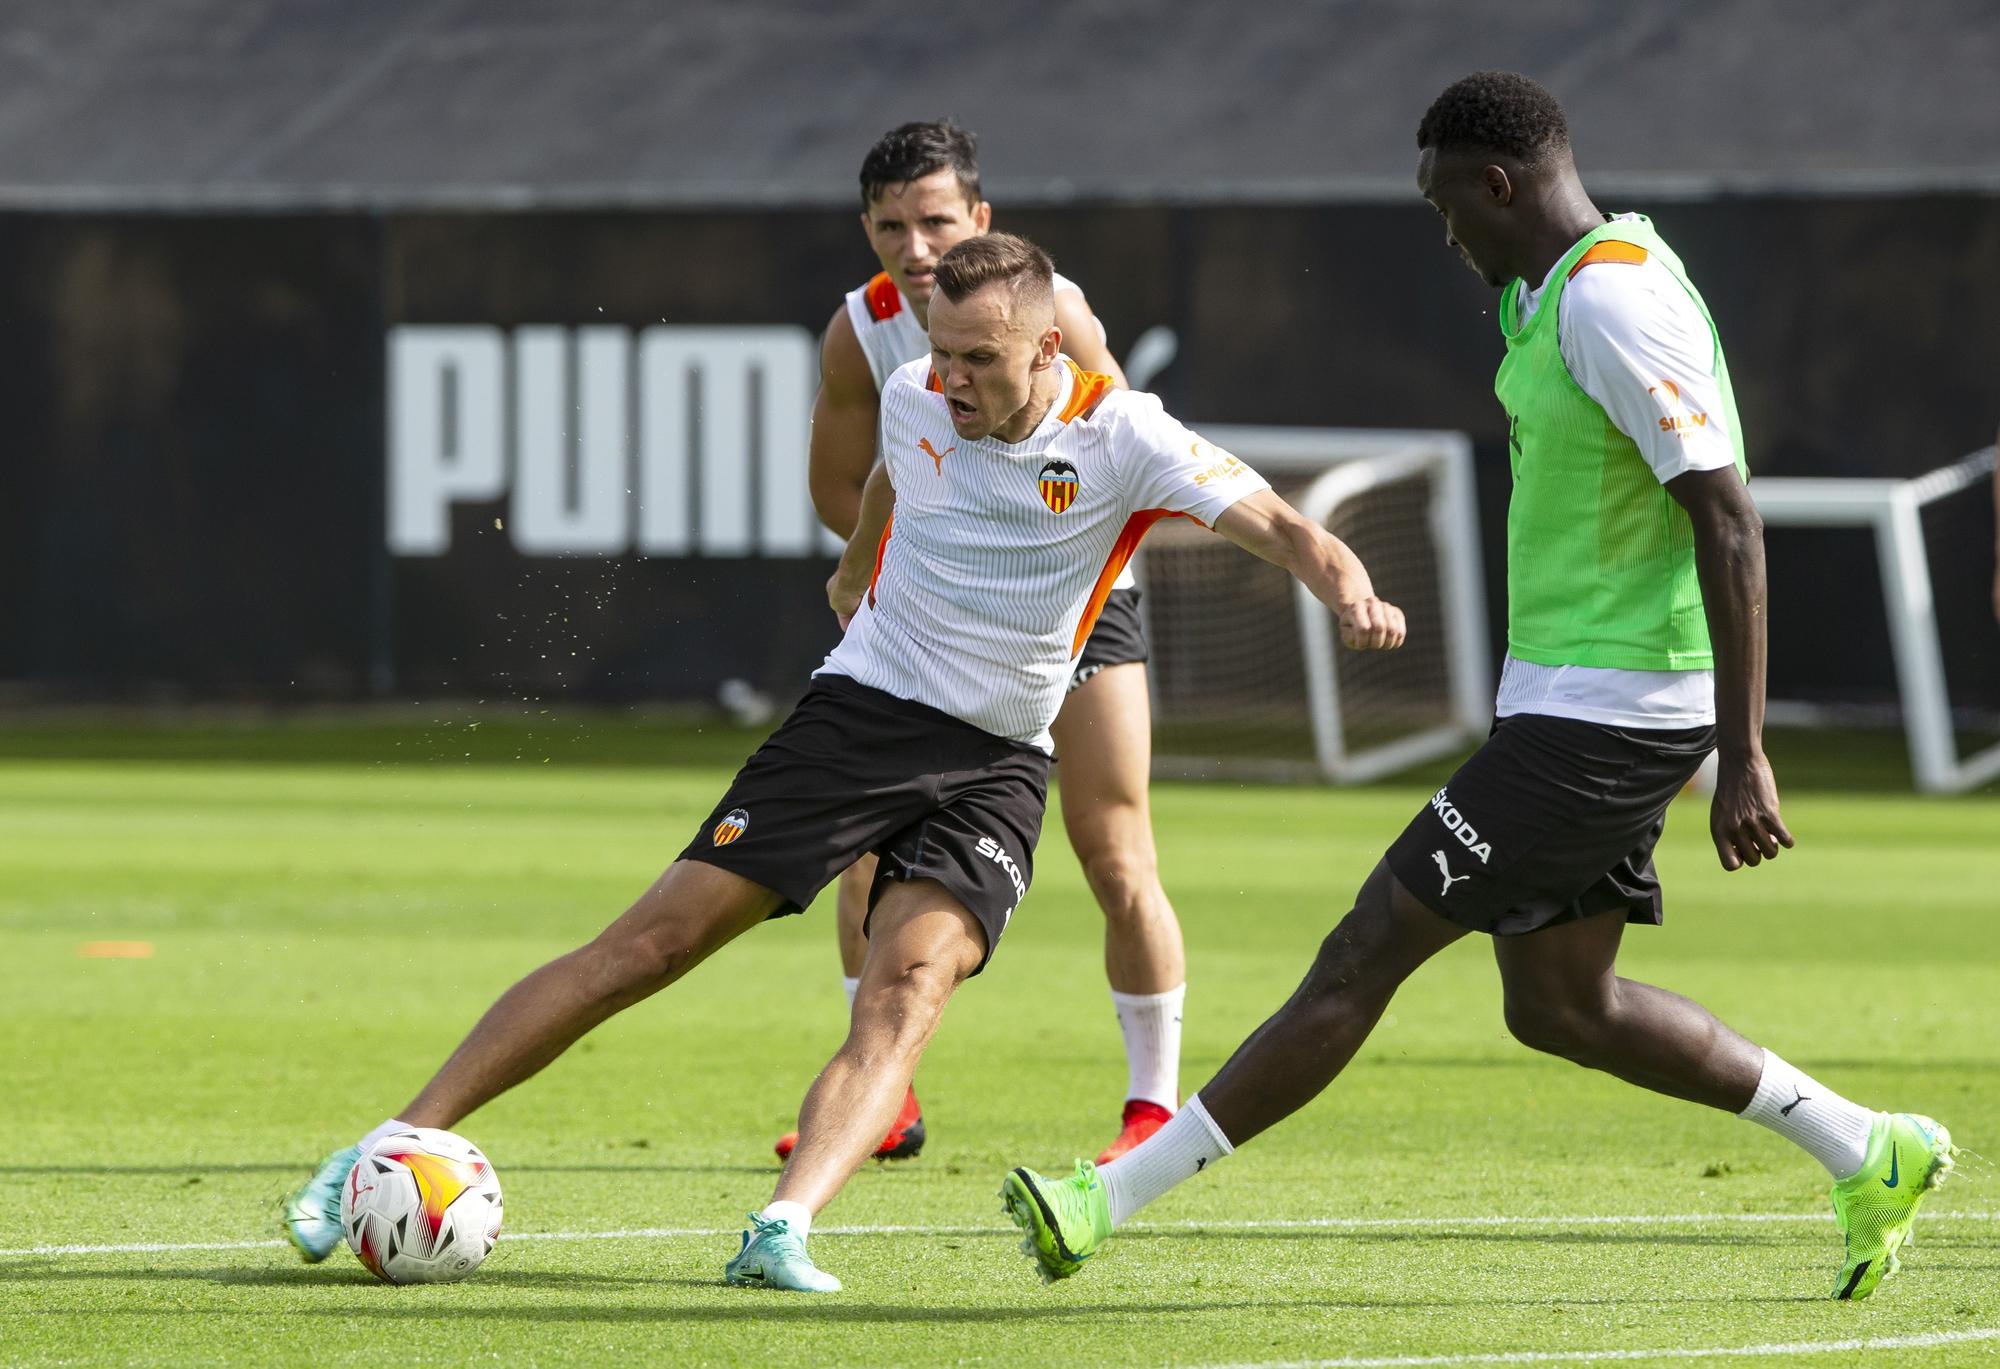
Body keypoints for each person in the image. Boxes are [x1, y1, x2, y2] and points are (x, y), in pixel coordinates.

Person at [281, 231, 1406, 1293]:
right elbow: (887, 475)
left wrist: (1348, 587)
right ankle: (384, 1142)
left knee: (908, 990)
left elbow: (1279, 523)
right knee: (649, 946)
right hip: (860, 718)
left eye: (979, 359)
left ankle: (782, 1226)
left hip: (1001, 760)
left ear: (1047, 350)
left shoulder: (1125, 435)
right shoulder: (918, 396)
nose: (950, 380)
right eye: (940, 353)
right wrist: (857, 561)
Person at [1000, 71, 1955, 1304]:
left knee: (1363, 949)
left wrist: (1744, 750)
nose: (1442, 232)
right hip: (1573, 706)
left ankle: (1101, 1199)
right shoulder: (1551, 292)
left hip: (1603, 722)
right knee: (1561, 1005)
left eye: (1446, 206)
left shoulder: (1612, 302)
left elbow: (1725, 519)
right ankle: (1863, 1146)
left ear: (1495, 184)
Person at [792, 119, 1189, 1167]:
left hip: (1078, 602)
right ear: (867, 231)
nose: (912, 248)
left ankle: (1150, 1110)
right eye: (889, 226)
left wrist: (1030, 554)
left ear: (978, 219)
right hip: (942, 619)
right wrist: (925, 555)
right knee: (862, 854)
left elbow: (1129, 454)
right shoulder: (859, 332)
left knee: (1114, 848)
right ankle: (886, 1096)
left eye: (933, 221)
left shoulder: (1050, 313)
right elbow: (839, 487)